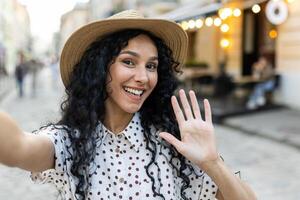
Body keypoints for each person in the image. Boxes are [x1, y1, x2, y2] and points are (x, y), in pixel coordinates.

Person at [0, 10, 256, 200]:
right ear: (101, 68)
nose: (143, 77)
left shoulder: (173, 144)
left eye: (151, 66)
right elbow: (16, 147)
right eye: (129, 62)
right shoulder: (70, 143)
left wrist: (212, 162)